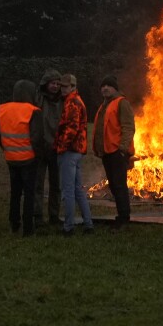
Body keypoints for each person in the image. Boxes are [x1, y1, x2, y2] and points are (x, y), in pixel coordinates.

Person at [0, 79, 45, 235]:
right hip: (29, 158)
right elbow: (36, 138)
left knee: (15, 192)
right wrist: (38, 155)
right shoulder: (33, 111)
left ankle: (14, 223)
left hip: (11, 157)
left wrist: (8, 148)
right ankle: (28, 227)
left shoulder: (3, 110)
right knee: (29, 193)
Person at [91, 75, 135, 230]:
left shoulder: (121, 103)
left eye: (109, 85)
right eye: (103, 86)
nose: (105, 88)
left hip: (117, 153)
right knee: (114, 186)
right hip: (106, 153)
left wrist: (122, 150)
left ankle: (124, 219)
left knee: (119, 186)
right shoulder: (104, 106)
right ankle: (121, 216)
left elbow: (128, 127)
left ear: (115, 89)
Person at [52, 74, 94, 235]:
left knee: (68, 190)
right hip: (77, 150)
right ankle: (88, 224)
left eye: (65, 87)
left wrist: (61, 147)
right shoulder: (76, 100)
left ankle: (68, 227)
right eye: (61, 86)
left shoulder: (72, 102)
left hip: (70, 151)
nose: (62, 89)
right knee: (77, 189)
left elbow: (71, 128)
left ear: (73, 87)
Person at [35, 69, 64, 226]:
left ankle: (54, 216)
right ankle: (37, 216)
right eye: (52, 83)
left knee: (56, 185)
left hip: (57, 148)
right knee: (37, 185)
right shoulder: (38, 99)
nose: (55, 86)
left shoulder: (63, 101)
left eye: (58, 83)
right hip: (40, 147)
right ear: (45, 84)